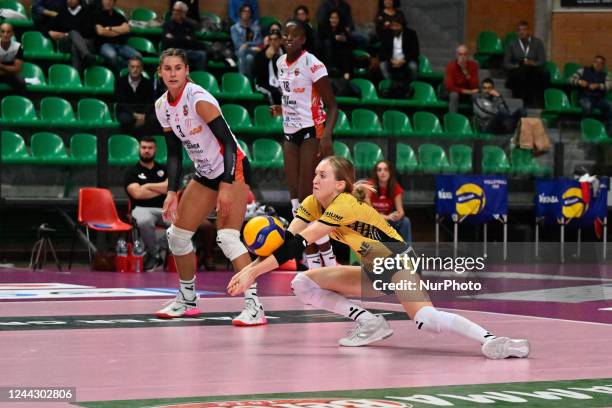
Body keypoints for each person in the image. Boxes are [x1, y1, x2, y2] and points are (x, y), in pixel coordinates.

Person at [227, 156, 530, 359]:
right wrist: (250, 269)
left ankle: (491, 340)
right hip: (372, 268)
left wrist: (253, 274)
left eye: (322, 175)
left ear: (341, 184)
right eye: (315, 174)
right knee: (302, 283)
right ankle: (370, 322)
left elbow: (297, 245)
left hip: (398, 262)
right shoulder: (311, 203)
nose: (314, 179)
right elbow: (286, 242)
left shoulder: (345, 204)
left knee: (426, 319)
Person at [154, 48, 266, 326]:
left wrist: (227, 185)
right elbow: (173, 154)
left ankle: (255, 306)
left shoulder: (198, 99)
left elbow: (228, 143)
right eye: (167, 68)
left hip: (233, 169)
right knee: (176, 236)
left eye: (178, 68)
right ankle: (187, 299)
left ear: (186, 70)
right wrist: (171, 192)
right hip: (205, 173)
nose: (172, 73)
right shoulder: (161, 107)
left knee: (227, 238)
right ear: (160, 72)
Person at [271, 20, 338, 269]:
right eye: (285, 34)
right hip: (290, 132)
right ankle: (313, 263)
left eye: (294, 34)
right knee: (296, 204)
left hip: (312, 131)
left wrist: (327, 136)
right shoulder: (279, 63)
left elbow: (333, 106)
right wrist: (281, 109)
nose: (288, 38)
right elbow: (291, 97)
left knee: (307, 200)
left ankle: (327, 262)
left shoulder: (313, 64)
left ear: (303, 40)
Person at [124, 137, 168, 272]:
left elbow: (172, 188)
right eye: (144, 147)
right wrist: (161, 189)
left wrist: (147, 186)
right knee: (144, 221)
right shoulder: (132, 171)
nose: (147, 151)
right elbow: (137, 194)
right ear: (139, 149)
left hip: (165, 209)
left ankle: (158, 246)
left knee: (183, 222)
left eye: (150, 148)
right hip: (141, 208)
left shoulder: (164, 169)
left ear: (155, 150)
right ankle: (155, 254)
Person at [503, 20, 547, 108]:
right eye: (519, 30)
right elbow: (506, 63)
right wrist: (516, 66)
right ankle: (524, 102)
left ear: (529, 31)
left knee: (544, 74)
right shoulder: (512, 44)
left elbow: (542, 61)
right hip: (518, 70)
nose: (522, 32)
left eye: (524, 29)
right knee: (522, 72)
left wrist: (532, 63)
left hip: (533, 69)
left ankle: (538, 102)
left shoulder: (537, 43)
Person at [367, 160, 412, 244]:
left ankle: (407, 252)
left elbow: (401, 211)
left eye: (385, 169)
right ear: (376, 173)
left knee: (405, 221)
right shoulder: (369, 186)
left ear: (390, 172)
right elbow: (370, 213)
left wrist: (396, 216)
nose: (382, 172)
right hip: (373, 220)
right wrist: (388, 217)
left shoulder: (394, 186)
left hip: (388, 220)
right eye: (379, 170)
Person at [47, 0, 96, 72]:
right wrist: (50, 32)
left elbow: (89, 32)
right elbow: (47, 27)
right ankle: (86, 54)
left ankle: (76, 75)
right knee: (73, 33)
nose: (70, 0)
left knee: (75, 46)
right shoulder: (62, 12)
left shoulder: (87, 12)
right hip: (65, 43)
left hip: (83, 43)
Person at [115, 56, 159, 136]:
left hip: (144, 113)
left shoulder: (148, 83)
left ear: (142, 68)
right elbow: (121, 102)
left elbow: (150, 102)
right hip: (127, 112)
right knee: (126, 119)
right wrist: (134, 114)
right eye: (132, 67)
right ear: (128, 68)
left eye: (138, 67)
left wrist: (144, 115)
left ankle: (147, 142)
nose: (135, 70)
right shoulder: (120, 82)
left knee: (154, 119)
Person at [94, 0, 141, 73]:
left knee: (138, 56)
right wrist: (119, 31)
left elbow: (127, 29)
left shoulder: (119, 16)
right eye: (106, 0)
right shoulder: (96, 15)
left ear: (114, 2)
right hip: (105, 44)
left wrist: (110, 28)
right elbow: (101, 32)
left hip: (121, 45)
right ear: (102, 1)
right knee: (112, 56)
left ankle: (120, 69)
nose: (108, 2)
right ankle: (119, 73)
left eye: (111, 0)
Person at [570, 55, 612, 132]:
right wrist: (579, 82)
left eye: (600, 63)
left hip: (598, 99)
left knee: (610, 105)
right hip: (585, 97)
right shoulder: (583, 70)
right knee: (587, 106)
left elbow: (609, 86)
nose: (597, 64)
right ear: (593, 62)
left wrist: (599, 86)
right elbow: (571, 79)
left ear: (603, 65)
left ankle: (610, 131)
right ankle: (587, 130)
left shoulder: (605, 75)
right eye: (596, 62)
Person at [162, 1, 207, 71]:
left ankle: (200, 77)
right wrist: (185, 39)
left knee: (201, 54)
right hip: (172, 51)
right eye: (174, 10)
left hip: (187, 50)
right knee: (181, 54)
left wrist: (176, 38)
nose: (175, 12)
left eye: (178, 10)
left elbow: (193, 41)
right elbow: (168, 41)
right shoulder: (167, 25)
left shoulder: (188, 26)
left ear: (184, 13)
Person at [378, 20, 419, 84]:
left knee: (413, 66)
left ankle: (413, 85)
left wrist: (403, 61)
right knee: (382, 65)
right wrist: (391, 60)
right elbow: (382, 52)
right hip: (391, 61)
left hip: (406, 60)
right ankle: (389, 85)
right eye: (392, 26)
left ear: (402, 26)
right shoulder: (386, 34)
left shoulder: (411, 34)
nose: (394, 28)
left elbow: (415, 52)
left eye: (397, 26)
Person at [443, 44, 479, 113]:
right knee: (454, 95)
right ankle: (453, 119)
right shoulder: (451, 66)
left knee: (476, 95)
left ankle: (478, 121)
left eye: (465, 54)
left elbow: (475, 86)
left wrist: (465, 72)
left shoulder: (473, 65)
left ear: (468, 56)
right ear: (456, 56)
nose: (463, 57)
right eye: (460, 54)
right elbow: (449, 87)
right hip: (454, 92)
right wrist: (467, 91)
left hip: (467, 93)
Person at [230, 3, 262, 80]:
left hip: (254, 50)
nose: (246, 13)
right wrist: (248, 46)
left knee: (246, 52)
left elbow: (260, 42)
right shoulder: (234, 28)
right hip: (240, 52)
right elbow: (237, 44)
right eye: (244, 11)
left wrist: (247, 44)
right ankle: (249, 82)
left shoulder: (256, 28)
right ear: (240, 13)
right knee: (249, 58)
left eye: (248, 11)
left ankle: (242, 79)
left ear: (251, 14)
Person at [317, 10, 352, 79]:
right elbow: (321, 38)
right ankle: (328, 70)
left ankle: (346, 73)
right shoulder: (324, 27)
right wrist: (334, 38)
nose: (334, 20)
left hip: (338, 57)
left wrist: (345, 40)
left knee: (346, 49)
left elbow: (350, 41)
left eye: (336, 18)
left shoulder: (341, 28)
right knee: (327, 43)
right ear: (329, 19)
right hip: (325, 56)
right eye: (332, 18)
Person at [254, 29, 282, 105]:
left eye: (275, 39)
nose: (273, 42)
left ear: (280, 40)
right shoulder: (260, 55)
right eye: (271, 40)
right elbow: (258, 74)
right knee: (275, 93)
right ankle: (277, 115)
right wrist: (266, 59)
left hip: (282, 82)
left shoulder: (285, 53)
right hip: (264, 83)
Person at [0, 23, 26, 92]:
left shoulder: (18, 47)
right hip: (9, 72)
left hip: (10, 76)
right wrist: (10, 69)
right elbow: (14, 68)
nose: (5, 35)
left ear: (12, 33)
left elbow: (17, 69)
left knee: (21, 83)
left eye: (8, 32)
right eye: (3, 32)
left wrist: (1, 66)